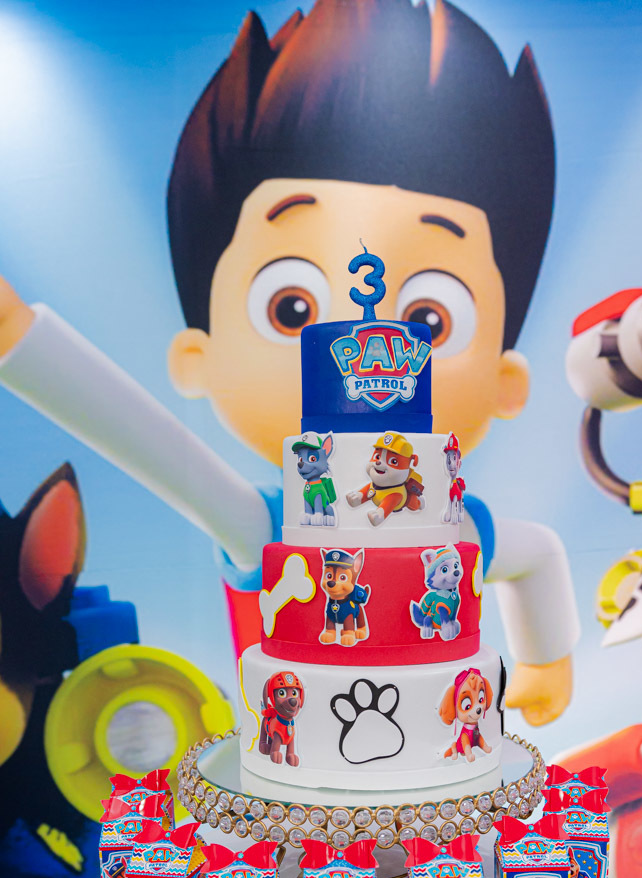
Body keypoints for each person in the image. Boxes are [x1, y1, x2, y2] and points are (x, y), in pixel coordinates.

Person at [0, 0, 578, 725]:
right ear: (198, 354)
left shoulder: (458, 529)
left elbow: (534, 554)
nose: (361, 348)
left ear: (505, 381)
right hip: (300, 761)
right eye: (291, 307)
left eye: (430, 319)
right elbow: (152, 445)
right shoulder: (272, 524)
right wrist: (21, 342)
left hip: (438, 760)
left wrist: (545, 659)